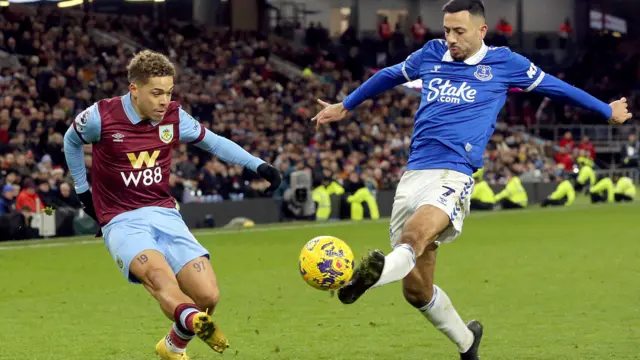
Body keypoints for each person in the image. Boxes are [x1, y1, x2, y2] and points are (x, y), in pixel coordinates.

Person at [311, 1, 632, 359]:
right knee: (416, 291)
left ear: (481, 31)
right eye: (447, 30)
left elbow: (557, 87)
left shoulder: (505, 63)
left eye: (459, 31)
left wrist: (607, 111)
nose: (451, 38)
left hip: (455, 172)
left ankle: (371, 276)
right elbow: (388, 74)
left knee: (412, 238)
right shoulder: (430, 54)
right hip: (414, 173)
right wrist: (346, 105)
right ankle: (467, 343)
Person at [63, 50, 281, 360]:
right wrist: (82, 191)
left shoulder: (174, 117)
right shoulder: (101, 117)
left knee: (207, 295)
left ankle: (173, 346)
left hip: (165, 213)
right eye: (156, 93)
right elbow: (70, 141)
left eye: (168, 92)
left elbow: (214, 142)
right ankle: (193, 321)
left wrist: (259, 166)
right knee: (159, 278)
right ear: (134, 90)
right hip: (121, 220)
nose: (164, 100)